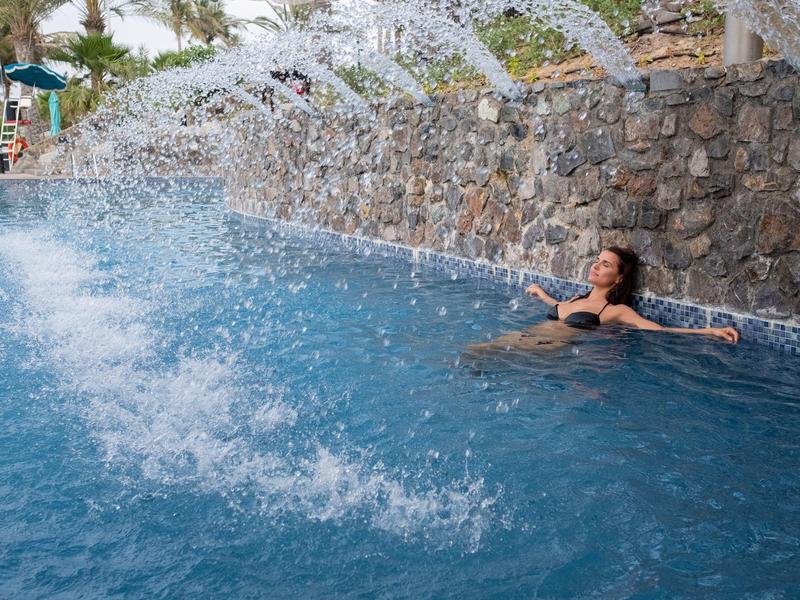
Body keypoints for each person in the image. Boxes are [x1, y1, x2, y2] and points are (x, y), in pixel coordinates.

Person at [469, 246, 739, 351]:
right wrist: (542, 294)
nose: (596, 266)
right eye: (597, 260)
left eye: (606, 265)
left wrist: (710, 331)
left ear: (619, 278)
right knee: (475, 355)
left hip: (547, 349)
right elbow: (557, 308)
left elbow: (659, 330)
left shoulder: (615, 310)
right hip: (528, 337)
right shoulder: (575, 299)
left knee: (476, 352)